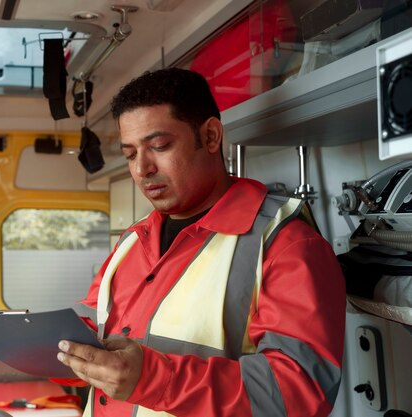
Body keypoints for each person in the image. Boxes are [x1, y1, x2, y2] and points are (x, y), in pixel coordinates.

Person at [55, 68, 346, 417]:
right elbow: (90, 329)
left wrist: (152, 378)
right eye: (131, 154)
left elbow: (300, 391)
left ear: (210, 136)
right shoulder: (132, 241)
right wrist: (39, 343)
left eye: (159, 146)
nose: (142, 169)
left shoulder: (287, 244)